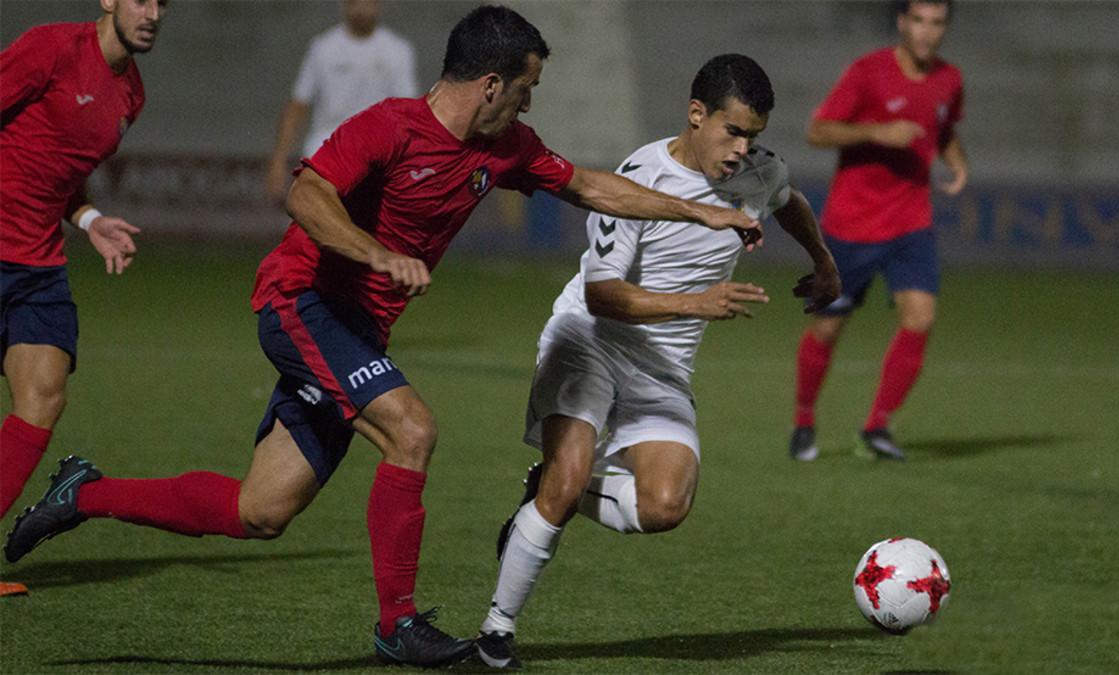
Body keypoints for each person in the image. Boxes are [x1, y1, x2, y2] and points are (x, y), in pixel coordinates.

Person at [4, 5, 764, 668]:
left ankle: (84, 492)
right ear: (492, 84)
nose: (532, 100)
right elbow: (307, 193)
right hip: (300, 303)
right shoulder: (390, 128)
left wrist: (701, 211)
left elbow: (591, 184)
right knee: (413, 429)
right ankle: (398, 627)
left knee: (261, 509)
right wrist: (374, 252)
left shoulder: (504, 146)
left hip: (354, 331)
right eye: (528, 85)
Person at [472, 54, 841, 670]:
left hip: (662, 366)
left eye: (753, 135)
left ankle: (545, 490)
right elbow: (601, 294)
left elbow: (789, 198)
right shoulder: (641, 178)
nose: (742, 148)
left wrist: (822, 260)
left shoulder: (760, 170)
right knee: (568, 484)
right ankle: (495, 634)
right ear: (696, 115)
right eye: (732, 131)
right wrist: (697, 302)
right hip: (588, 339)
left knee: (665, 507)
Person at [0, 0, 163, 597]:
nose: (152, 13)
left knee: (43, 395)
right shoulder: (51, 48)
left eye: (162, 4)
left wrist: (90, 217)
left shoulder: (131, 96)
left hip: (38, 263)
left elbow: (60, 169)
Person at [790, 0, 967, 462]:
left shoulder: (950, 79)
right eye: (920, 21)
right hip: (852, 226)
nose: (928, 32)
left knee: (920, 318)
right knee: (828, 330)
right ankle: (805, 419)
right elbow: (818, 130)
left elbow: (943, 128)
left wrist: (956, 160)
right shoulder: (868, 72)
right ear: (902, 23)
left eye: (937, 22)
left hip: (912, 224)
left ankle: (876, 428)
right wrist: (877, 132)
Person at [265, 0, 420, 205]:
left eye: (368, 3)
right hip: (324, 150)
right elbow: (298, 105)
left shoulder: (398, 50)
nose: (361, 9)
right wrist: (278, 160)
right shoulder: (322, 47)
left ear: (379, 5)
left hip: (377, 156)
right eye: (354, 3)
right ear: (343, 5)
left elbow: (407, 111)